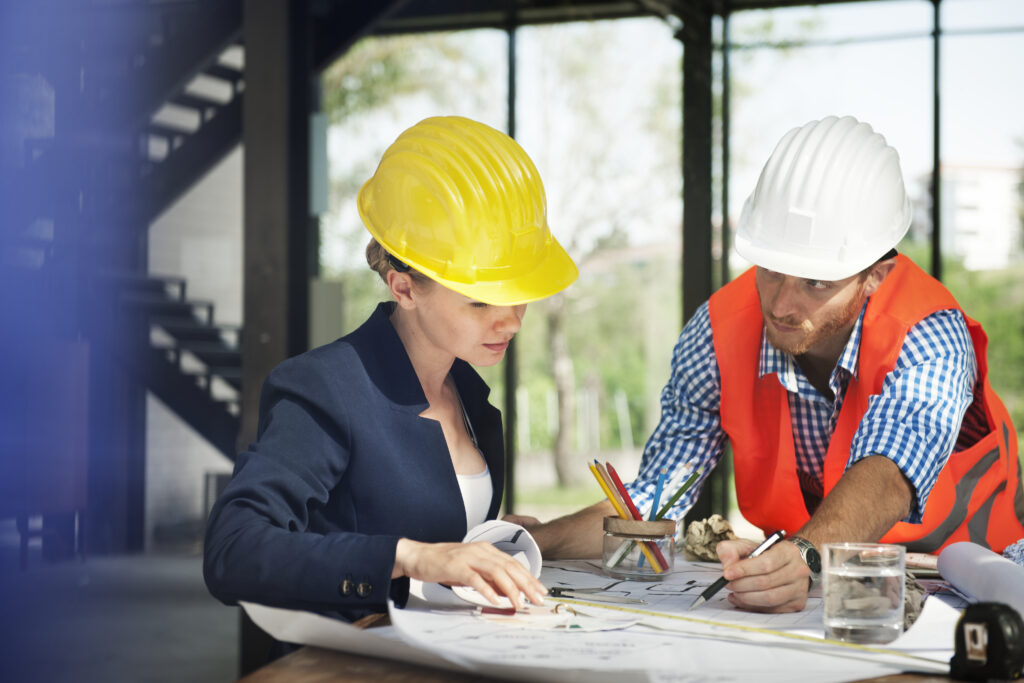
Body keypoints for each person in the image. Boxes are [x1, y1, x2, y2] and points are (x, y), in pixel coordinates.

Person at [531, 115, 1024, 613]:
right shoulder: (717, 331)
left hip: (975, 592)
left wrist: (805, 557)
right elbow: (656, 497)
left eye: (815, 282)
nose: (782, 304)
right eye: (770, 269)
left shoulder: (929, 331)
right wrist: (537, 541)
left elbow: (888, 474)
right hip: (816, 595)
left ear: (875, 274)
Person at [204, 116, 577, 622]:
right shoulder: (327, 387)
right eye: (480, 303)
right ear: (403, 288)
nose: (510, 321)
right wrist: (411, 556)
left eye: (520, 298)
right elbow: (233, 550)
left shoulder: (468, 393)